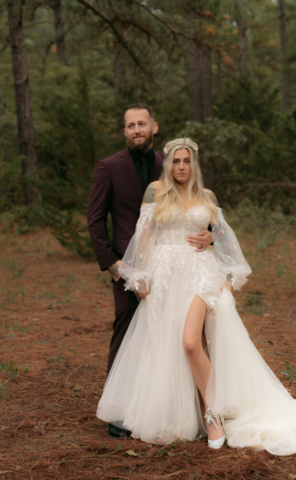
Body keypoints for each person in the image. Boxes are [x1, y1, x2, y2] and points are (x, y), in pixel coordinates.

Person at [97, 138, 296, 455]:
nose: (181, 167)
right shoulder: (155, 191)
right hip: (164, 277)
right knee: (171, 346)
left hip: (200, 274)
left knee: (190, 342)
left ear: (194, 163)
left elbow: (225, 242)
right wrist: (141, 276)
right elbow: (144, 236)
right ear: (168, 164)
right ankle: (182, 412)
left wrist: (216, 247)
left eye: (187, 161)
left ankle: (213, 413)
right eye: (176, 161)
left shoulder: (206, 196)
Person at [87, 106, 213, 438]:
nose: (136, 129)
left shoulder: (172, 160)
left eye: (142, 123)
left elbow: (201, 210)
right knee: (129, 333)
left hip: (176, 268)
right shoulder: (109, 167)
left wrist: (211, 234)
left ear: (154, 127)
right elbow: (96, 221)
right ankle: (121, 410)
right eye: (130, 125)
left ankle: (182, 405)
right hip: (128, 266)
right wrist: (116, 268)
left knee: (175, 334)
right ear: (125, 131)